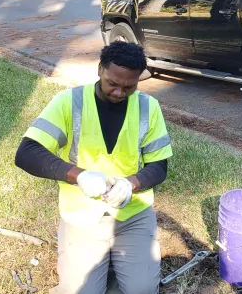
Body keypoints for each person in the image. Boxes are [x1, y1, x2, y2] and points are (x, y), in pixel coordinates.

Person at [15, 41, 172, 294]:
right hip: (82, 217)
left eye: (129, 86)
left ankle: (114, 268)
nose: (119, 93)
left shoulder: (148, 107)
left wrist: (130, 184)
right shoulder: (69, 102)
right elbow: (27, 153)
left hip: (133, 216)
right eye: (113, 83)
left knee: (142, 290)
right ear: (100, 69)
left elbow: (159, 166)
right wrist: (80, 176)